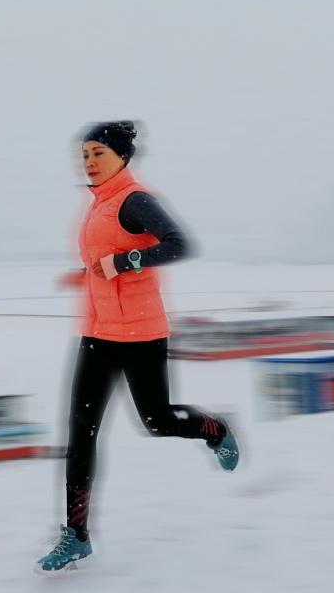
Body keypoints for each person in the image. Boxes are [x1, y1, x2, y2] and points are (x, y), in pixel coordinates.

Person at [35, 121, 240, 574]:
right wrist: (88, 274)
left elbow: (179, 244)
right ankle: (76, 535)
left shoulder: (134, 199)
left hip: (142, 334)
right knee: (80, 433)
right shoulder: (98, 204)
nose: (88, 162)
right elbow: (103, 259)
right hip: (97, 332)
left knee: (157, 420)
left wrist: (126, 262)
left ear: (122, 157)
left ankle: (214, 430)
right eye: (84, 154)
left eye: (98, 153)